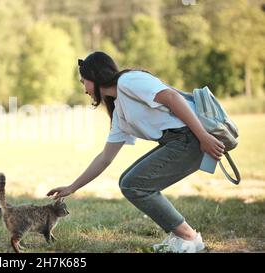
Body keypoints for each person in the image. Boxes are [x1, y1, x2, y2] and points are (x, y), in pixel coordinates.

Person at [47, 51, 225, 253]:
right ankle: (184, 237)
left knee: (133, 184)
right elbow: (105, 158)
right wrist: (72, 187)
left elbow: (172, 97)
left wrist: (203, 136)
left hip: (190, 138)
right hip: (178, 140)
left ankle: (189, 239)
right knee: (128, 183)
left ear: (95, 77)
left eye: (84, 82)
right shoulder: (119, 111)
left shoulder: (128, 81)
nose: (84, 89)